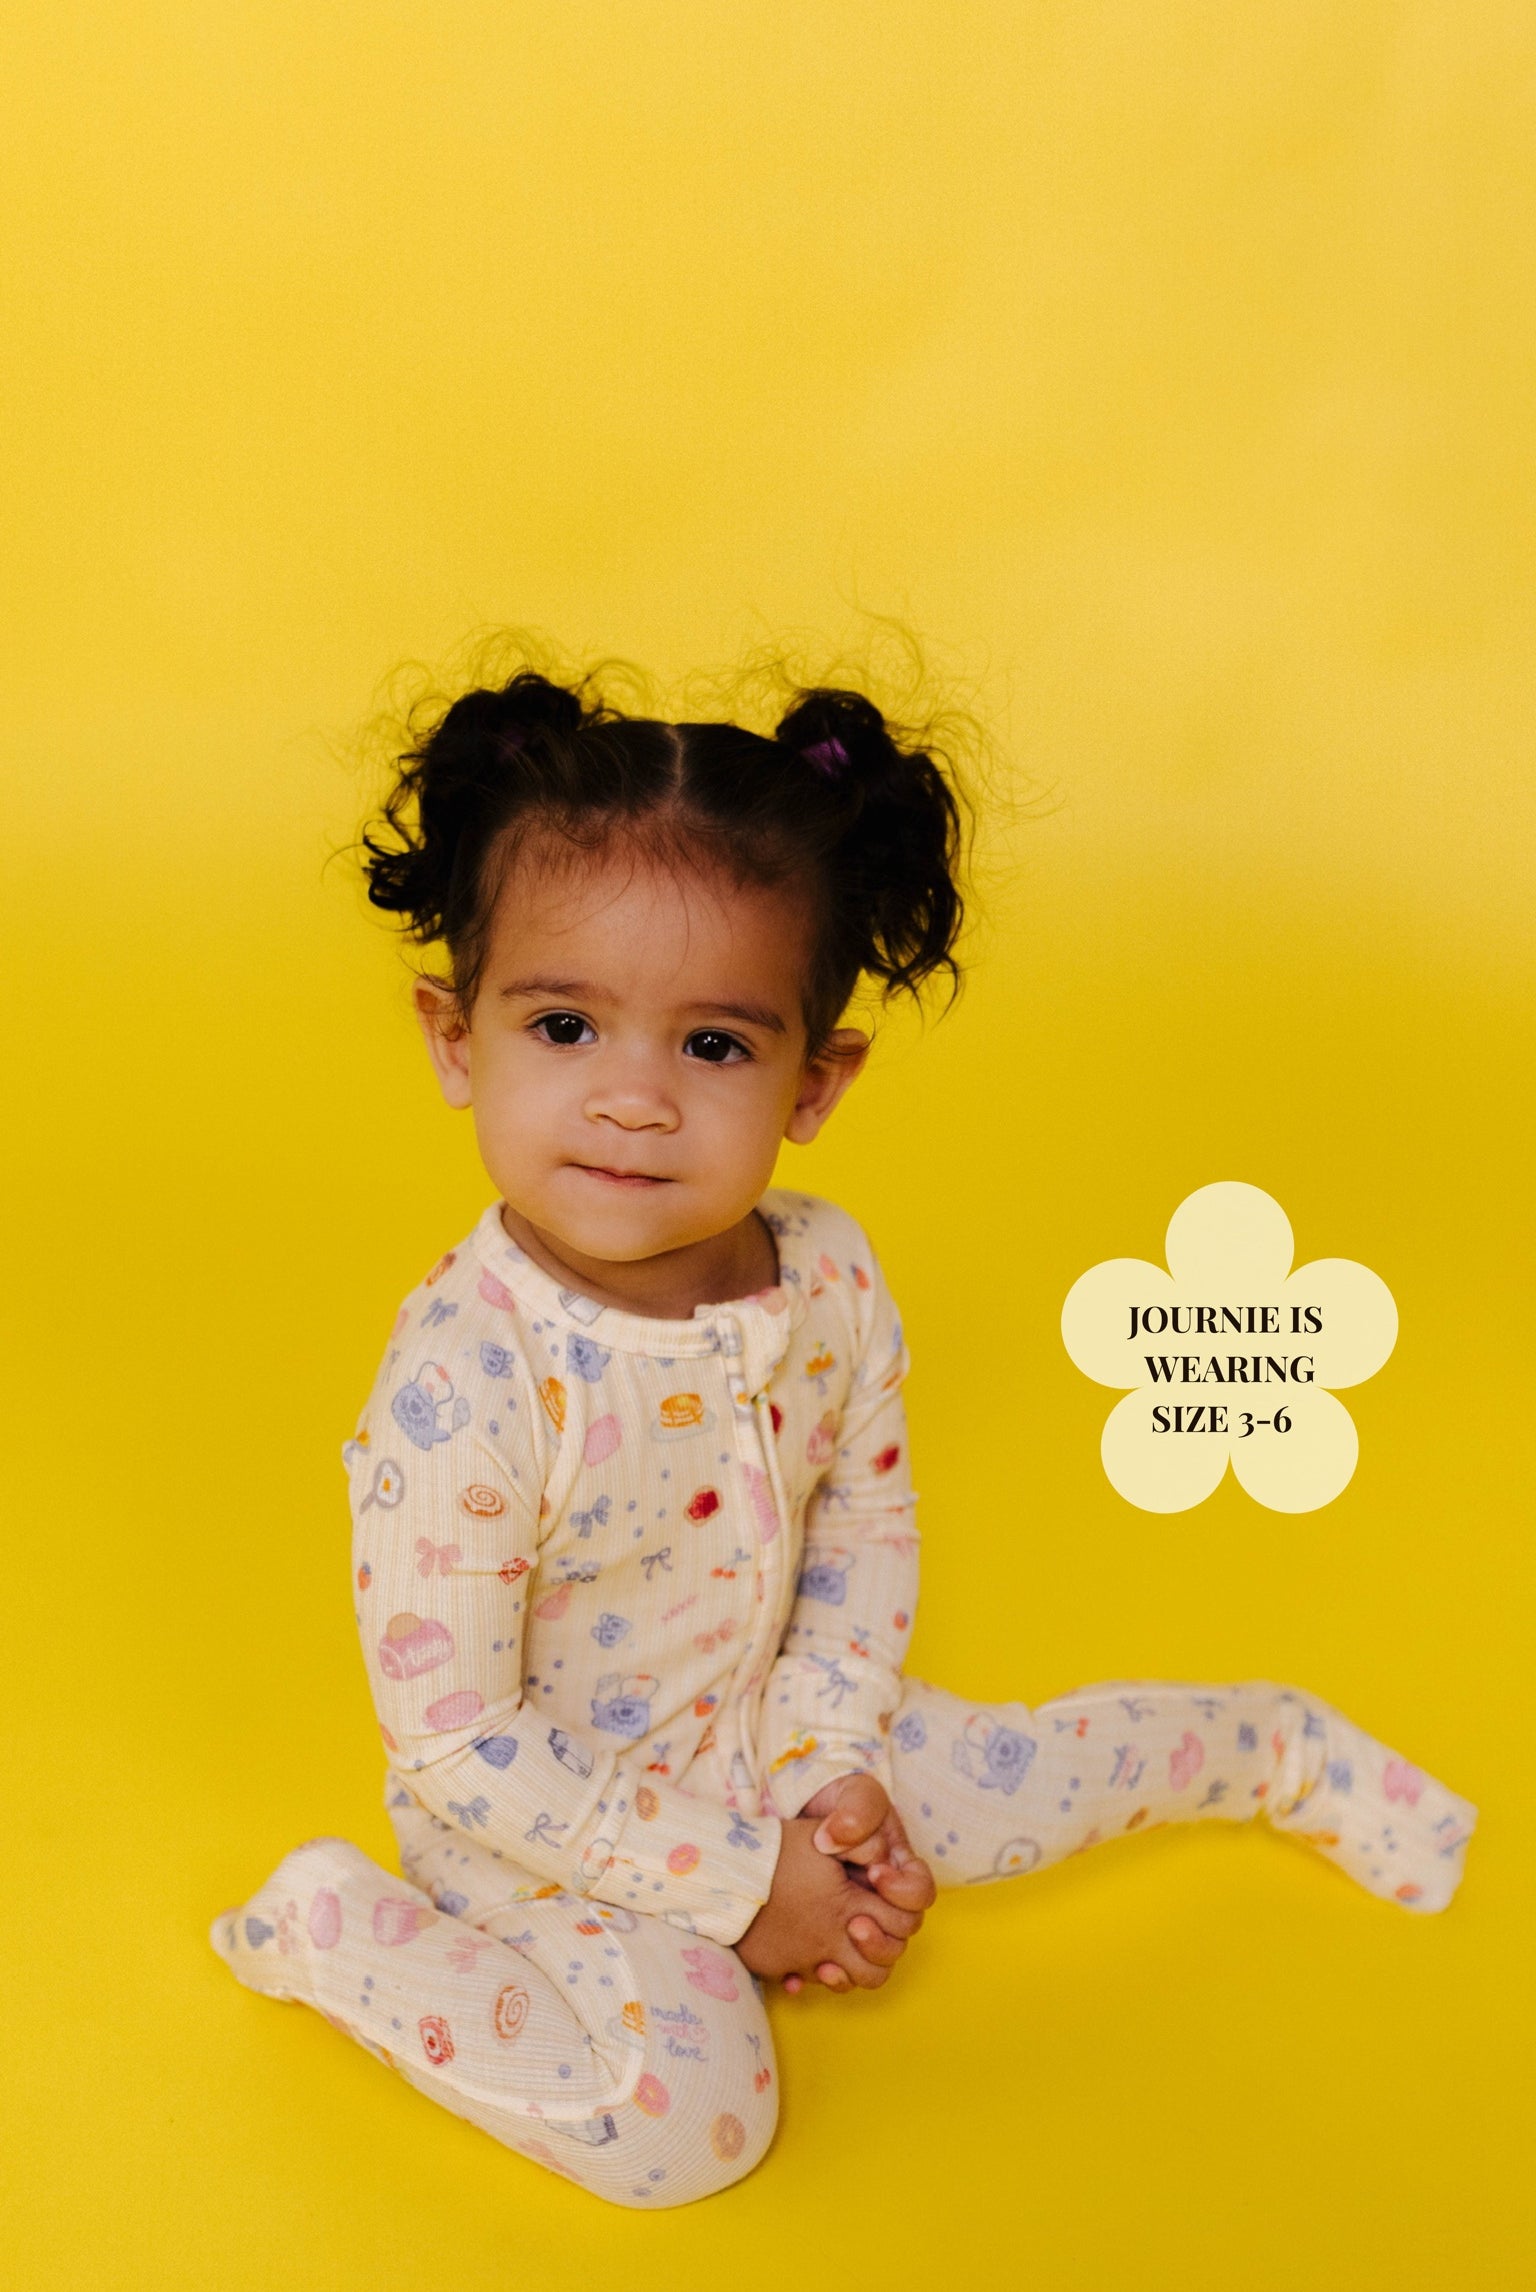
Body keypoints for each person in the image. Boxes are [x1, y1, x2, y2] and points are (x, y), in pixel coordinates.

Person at [211, 666, 1477, 2208]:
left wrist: (827, 1769)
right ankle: (338, 1937)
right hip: (548, 1820)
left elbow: (865, 1528)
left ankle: (1274, 1750)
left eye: (716, 1049)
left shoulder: (828, 1272)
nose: (633, 1102)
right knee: (692, 2128)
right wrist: (753, 1893)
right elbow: (462, 1745)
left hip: (766, 1722)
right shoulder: (466, 1385)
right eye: (563, 1023)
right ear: (457, 1039)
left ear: (817, 1079)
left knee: (1024, 1781)